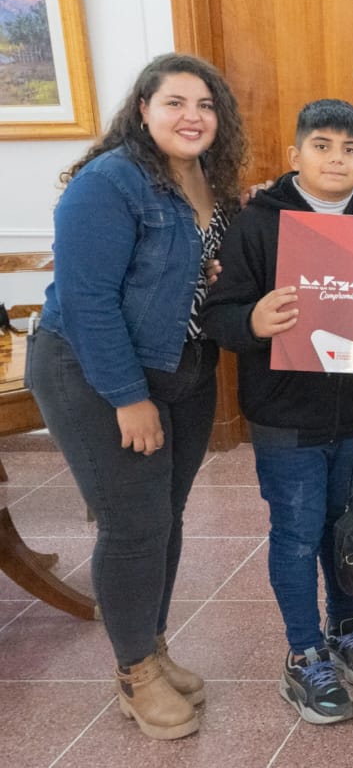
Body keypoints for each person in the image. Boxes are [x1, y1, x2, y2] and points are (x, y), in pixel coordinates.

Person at [29, 53, 246, 740]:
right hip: (96, 371)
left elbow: (181, 274)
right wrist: (128, 397)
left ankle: (150, 644)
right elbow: (89, 302)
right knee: (133, 522)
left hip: (182, 366)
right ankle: (133, 671)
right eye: (175, 101)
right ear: (143, 107)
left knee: (166, 514)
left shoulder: (206, 178)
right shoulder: (110, 182)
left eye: (206, 105)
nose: (193, 116)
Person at [203, 99, 353, 724]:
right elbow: (221, 314)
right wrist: (252, 320)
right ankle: (303, 653)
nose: (337, 158)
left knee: (345, 530)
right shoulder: (259, 224)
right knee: (298, 537)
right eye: (322, 146)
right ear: (295, 156)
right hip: (286, 420)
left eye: (350, 149)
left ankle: (346, 627)